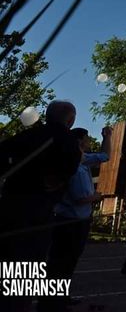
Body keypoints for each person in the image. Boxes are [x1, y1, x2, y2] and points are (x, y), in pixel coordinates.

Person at [0, 101, 81, 312]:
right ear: (70, 120)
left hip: (8, 210)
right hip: (37, 215)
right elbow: (66, 173)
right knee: (25, 275)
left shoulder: (26, 137)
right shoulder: (67, 142)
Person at [38, 126, 112, 312]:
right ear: (80, 142)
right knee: (62, 261)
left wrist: (107, 137)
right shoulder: (75, 167)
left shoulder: (83, 160)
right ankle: (51, 303)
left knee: (66, 262)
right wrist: (95, 197)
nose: (89, 141)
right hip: (71, 222)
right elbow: (80, 199)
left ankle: (60, 298)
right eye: (87, 138)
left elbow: (105, 156)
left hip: (75, 220)